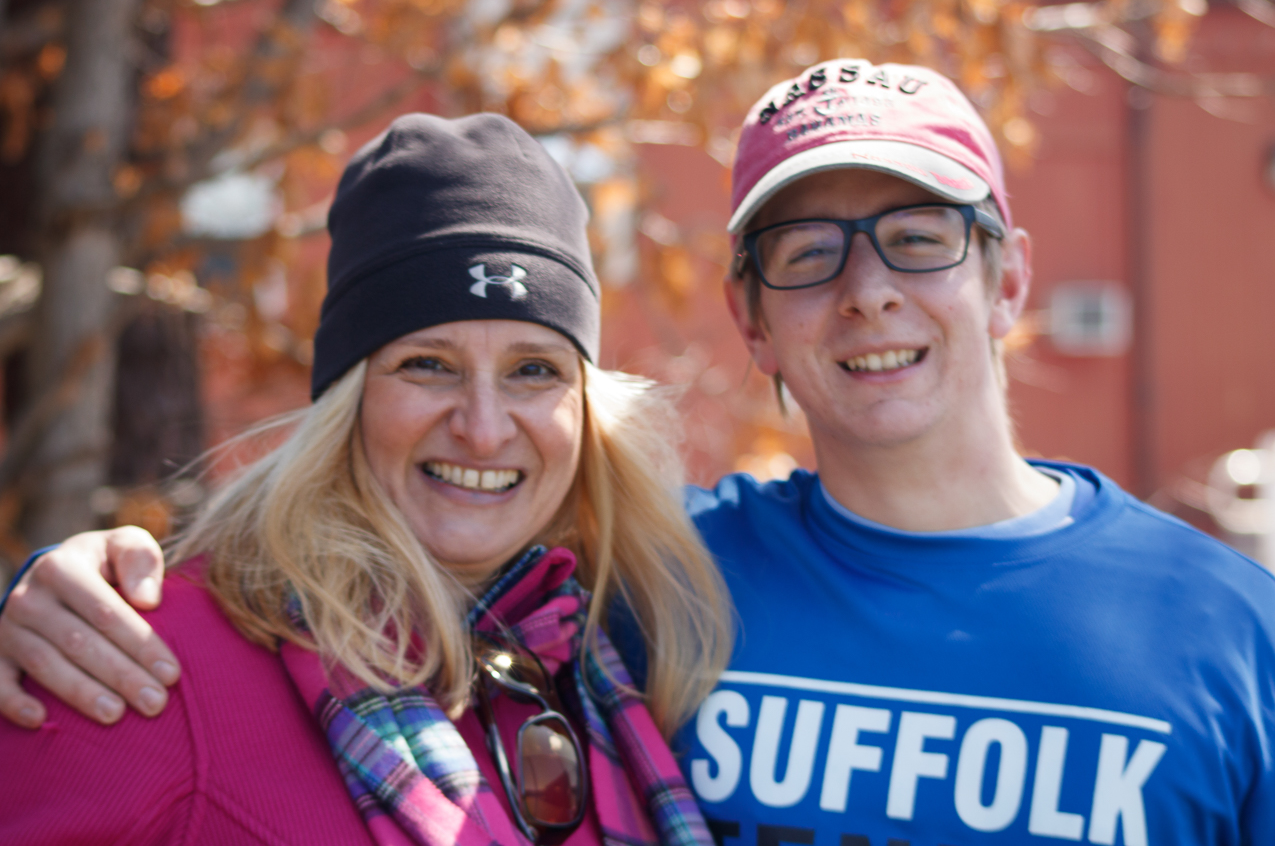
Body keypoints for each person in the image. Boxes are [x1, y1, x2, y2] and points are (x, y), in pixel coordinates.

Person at [5, 58, 1275, 844]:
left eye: (919, 235)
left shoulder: (596, 615)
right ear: (751, 318)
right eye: (807, 251)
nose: (869, 291)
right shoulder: (661, 589)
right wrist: (63, 591)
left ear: (1010, 281)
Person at [0, 112, 732, 846]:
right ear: (348, 401)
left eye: (532, 370)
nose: (483, 427)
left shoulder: (602, 665)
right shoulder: (140, 664)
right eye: (427, 364)